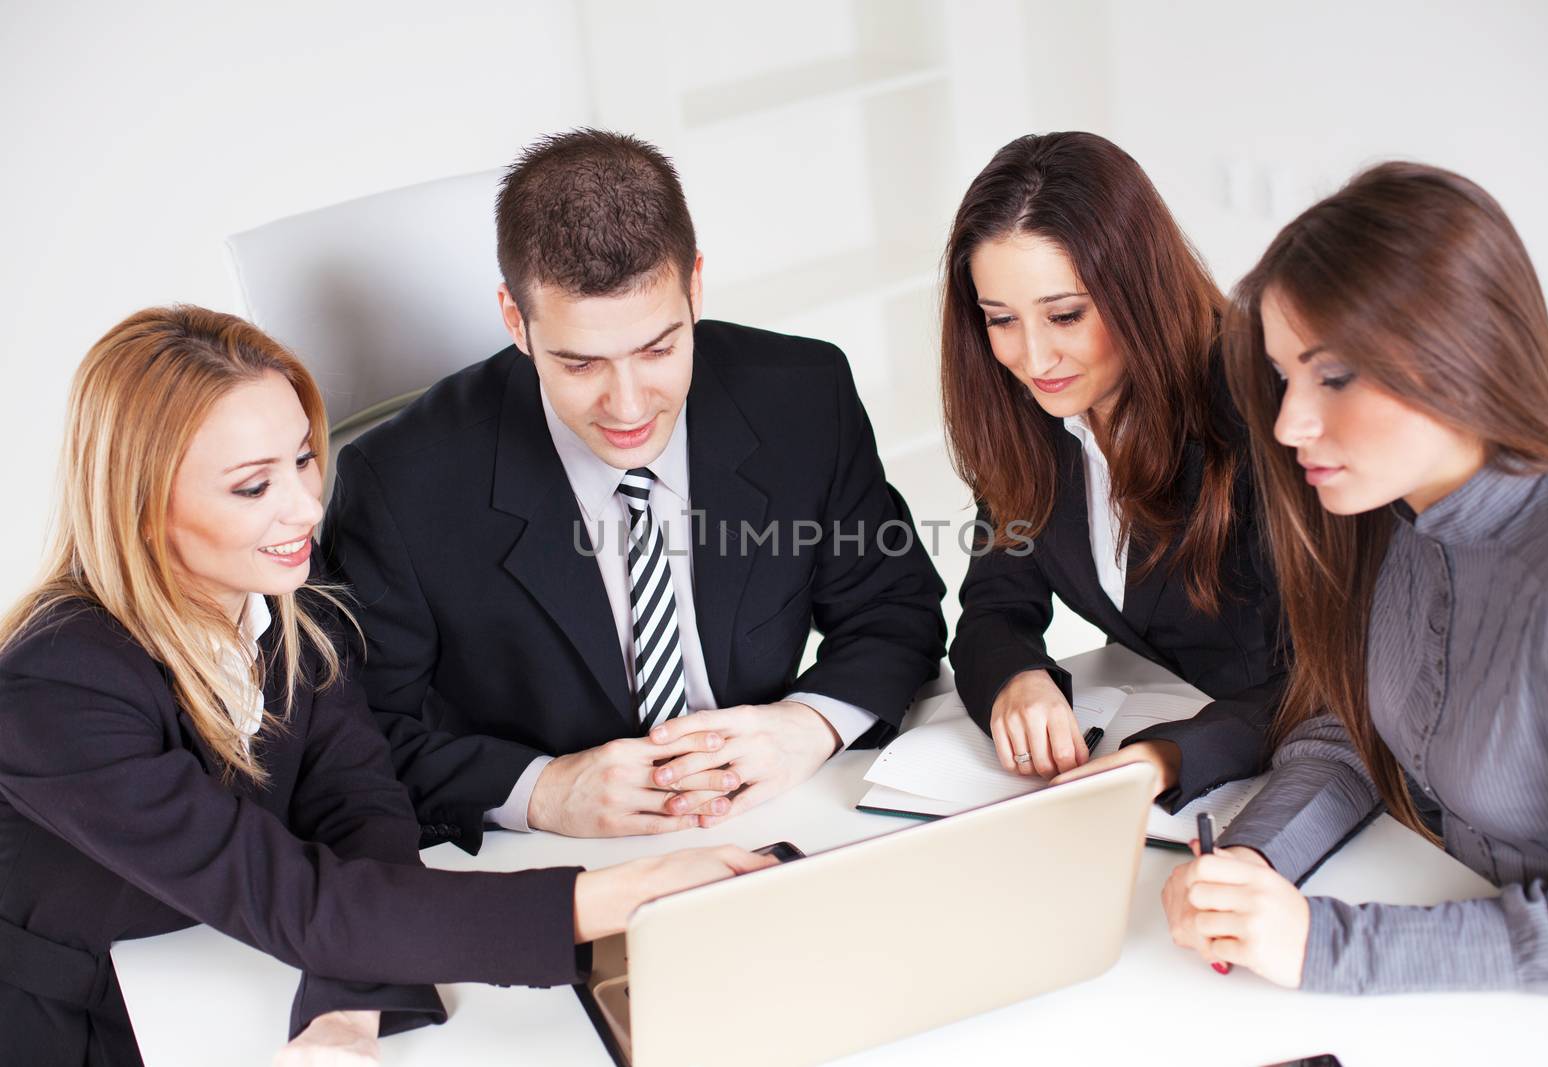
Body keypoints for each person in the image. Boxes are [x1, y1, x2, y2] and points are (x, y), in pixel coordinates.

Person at [0, 306, 776, 1066]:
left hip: (218, 969)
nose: (306, 507)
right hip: (87, 1020)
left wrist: (344, 1009)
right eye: (251, 487)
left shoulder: (293, 608)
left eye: (302, 459)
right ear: (139, 510)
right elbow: (293, 895)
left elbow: (361, 810)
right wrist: (612, 898)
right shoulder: (56, 686)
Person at [322, 129, 946, 847]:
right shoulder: (403, 483)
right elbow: (360, 737)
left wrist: (806, 726)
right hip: (551, 864)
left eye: (657, 349)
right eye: (581, 363)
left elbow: (895, 607)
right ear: (513, 320)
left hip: (778, 821)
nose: (627, 406)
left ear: (696, 287)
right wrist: (542, 790)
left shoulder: (804, 396)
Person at [1162, 162, 1548, 994]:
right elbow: (1354, 732)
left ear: (1461, 353)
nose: (1290, 422)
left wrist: (1324, 945)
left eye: (1333, 376)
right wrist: (1255, 863)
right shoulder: (1390, 517)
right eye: (1286, 377)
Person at [940, 132, 1285, 812]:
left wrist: (1168, 755)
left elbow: (1335, 674)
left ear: (1138, 290)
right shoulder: (1029, 415)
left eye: (1065, 315)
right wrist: (1019, 679)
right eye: (1001, 320)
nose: (1035, 358)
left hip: (1293, 776)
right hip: (1162, 769)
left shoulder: (1259, 404)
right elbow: (993, 608)